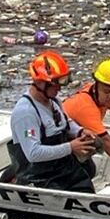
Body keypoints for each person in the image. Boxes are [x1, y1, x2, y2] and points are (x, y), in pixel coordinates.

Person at [7, 51, 98, 192]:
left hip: (60, 167)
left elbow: (66, 122)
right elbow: (33, 153)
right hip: (39, 176)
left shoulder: (53, 101)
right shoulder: (25, 113)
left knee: (89, 168)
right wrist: (70, 147)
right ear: (40, 83)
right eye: (56, 83)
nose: (59, 88)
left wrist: (80, 132)